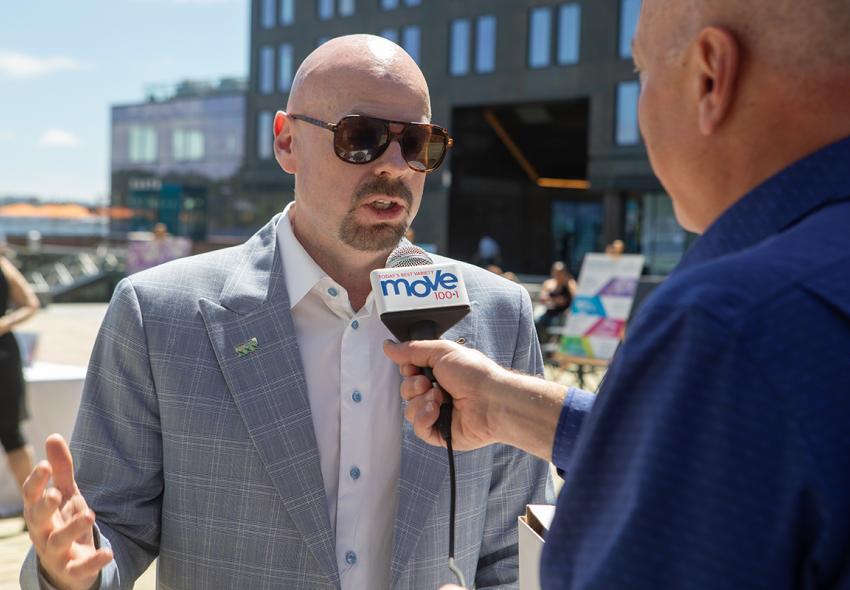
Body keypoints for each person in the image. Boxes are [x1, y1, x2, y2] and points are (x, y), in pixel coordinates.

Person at [20, 35, 553, 590]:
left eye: (418, 142)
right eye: (362, 137)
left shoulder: (499, 315)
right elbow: (106, 529)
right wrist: (66, 572)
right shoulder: (158, 314)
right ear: (286, 141)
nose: (395, 165)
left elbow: (514, 554)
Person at [384, 0, 850, 587]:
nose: (641, 108)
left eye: (642, 73)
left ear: (710, 76)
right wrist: (504, 405)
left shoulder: (729, 323)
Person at [0, 241, 40, 506]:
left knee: (11, 432)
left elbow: (30, 304)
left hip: (3, 354)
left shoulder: (2, 264)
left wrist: (3, 323)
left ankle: (34, 506)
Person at [534, 261, 577, 341]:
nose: (558, 274)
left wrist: (568, 308)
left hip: (563, 313)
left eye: (560, 272)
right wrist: (555, 300)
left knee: (557, 323)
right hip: (549, 311)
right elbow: (542, 298)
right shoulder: (549, 283)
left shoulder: (570, 284)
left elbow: (575, 299)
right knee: (537, 321)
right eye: (556, 272)